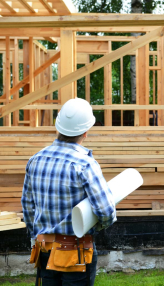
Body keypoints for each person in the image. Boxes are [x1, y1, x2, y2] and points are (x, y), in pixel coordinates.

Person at [21, 98, 116, 286]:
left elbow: (28, 208)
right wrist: (92, 227)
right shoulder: (85, 164)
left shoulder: (35, 160)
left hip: (44, 249)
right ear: (86, 131)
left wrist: (36, 235)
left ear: (58, 126)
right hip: (77, 253)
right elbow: (106, 212)